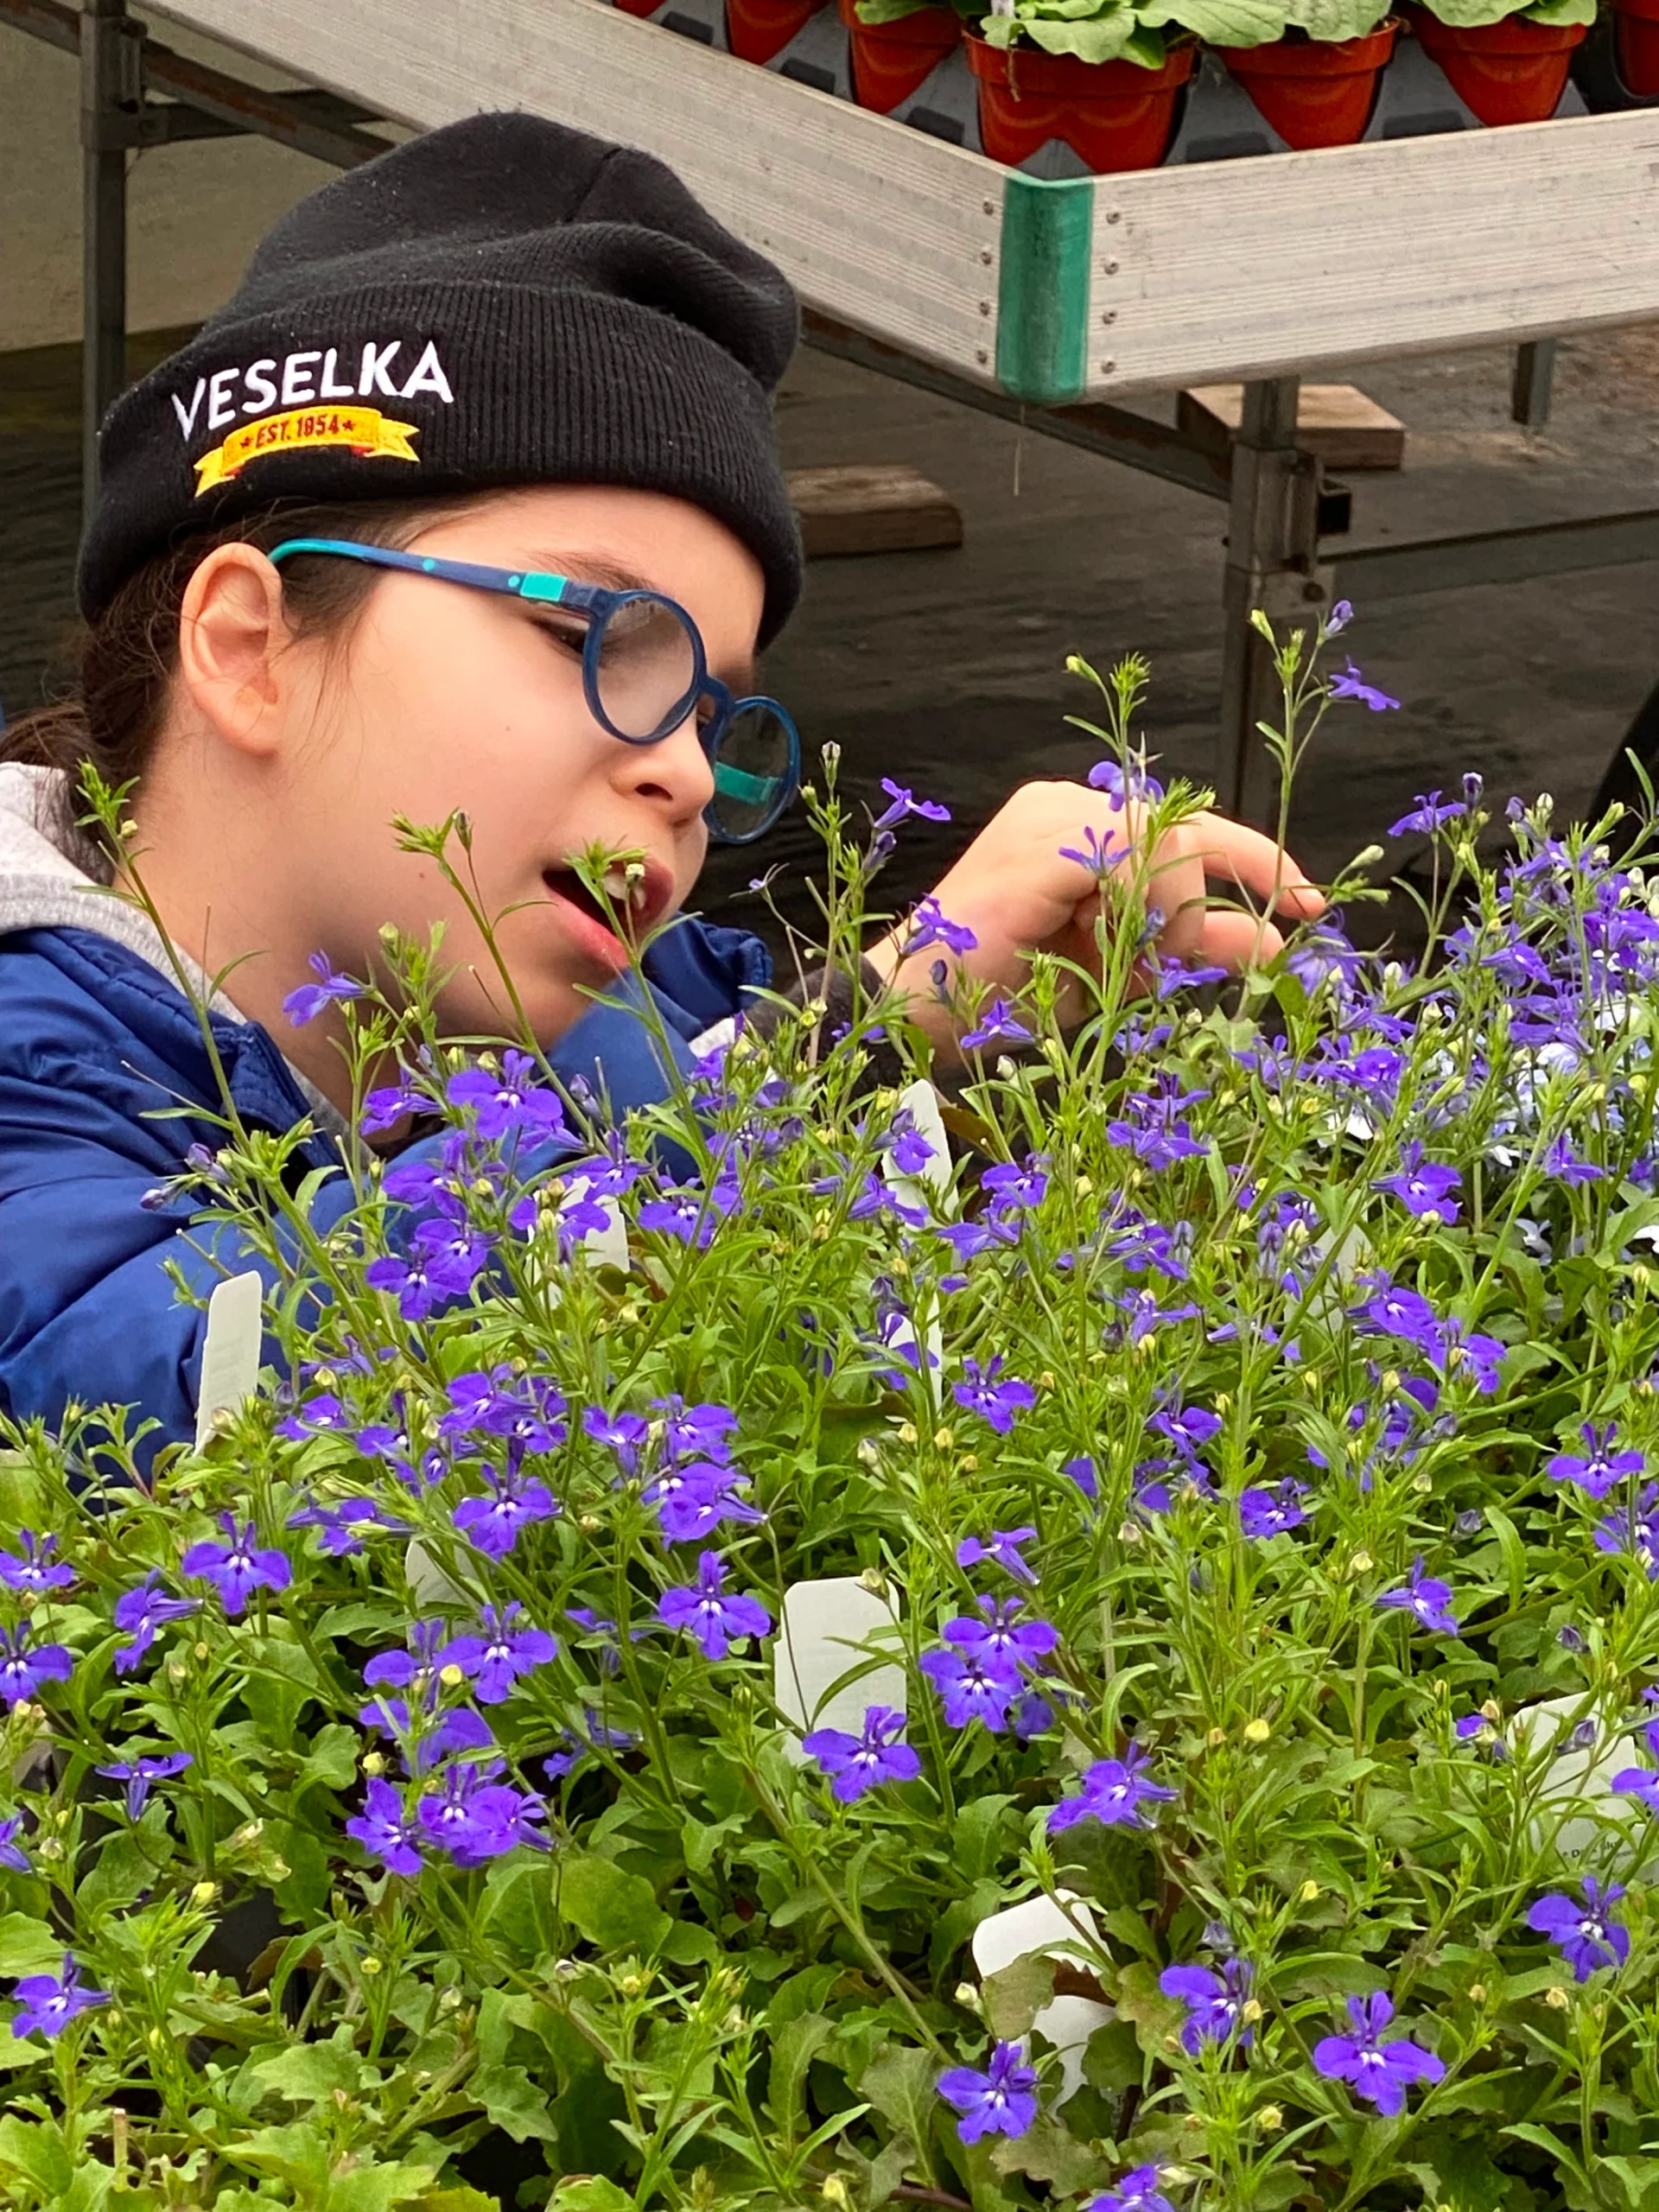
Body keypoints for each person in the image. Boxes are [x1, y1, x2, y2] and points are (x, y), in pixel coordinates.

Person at [0, 111, 1320, 1459]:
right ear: (249, 650)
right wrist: (827, 1064)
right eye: (595, 642)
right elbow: (146, 1396)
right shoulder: (22, 1059)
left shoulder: (672, 1029)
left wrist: (1008, 1095)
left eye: (714, 711)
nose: (686, 772)